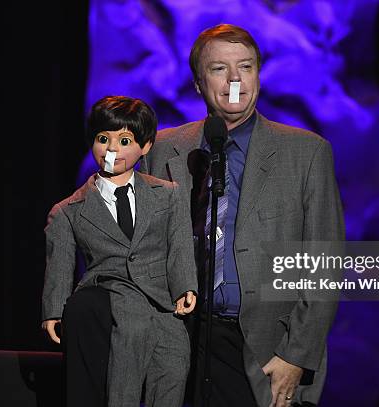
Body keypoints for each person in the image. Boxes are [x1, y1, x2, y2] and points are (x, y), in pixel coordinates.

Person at [141, 24, 345, 407]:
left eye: (246, 67)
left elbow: (324, 266)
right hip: (179, 342)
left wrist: (295, 356)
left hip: (265, 354)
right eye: (219, 68)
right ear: (199, 83)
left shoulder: (306, 153)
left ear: (258, 76)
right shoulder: (164, 149)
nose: (235, 78)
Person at [41, 95, 198, 407]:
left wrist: (185, 286)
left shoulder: (167, 195)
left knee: (173, 365)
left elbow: (179, 244)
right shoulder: (68, 211)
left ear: (146, 146)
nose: (112, 149)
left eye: (125, 140)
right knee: (123, 372)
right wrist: (54, 311)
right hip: (114, 296)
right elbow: (59, 264)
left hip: (163, 303)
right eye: (103, 139)